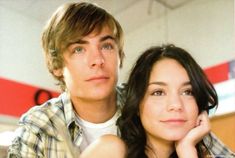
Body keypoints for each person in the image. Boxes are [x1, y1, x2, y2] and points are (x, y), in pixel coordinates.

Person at [7, 1, 234, 157]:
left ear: (119, 55)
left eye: (106, 45)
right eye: (78, 49)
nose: (97, 60)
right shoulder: (39, 126)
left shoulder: (148, 101)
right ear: (57, 66)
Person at [80, 44, 235, 158]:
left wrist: (186, 150)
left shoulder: (199, 154)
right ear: (137, 105)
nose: (176, 105)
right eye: (158, 92)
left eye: (187, 92)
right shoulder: (109, 150)